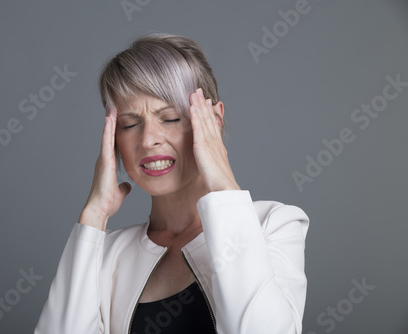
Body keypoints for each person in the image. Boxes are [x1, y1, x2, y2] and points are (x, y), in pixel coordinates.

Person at [34, 32, 310, 334]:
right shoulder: (104, 255)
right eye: (130, 124)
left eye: (170, 118)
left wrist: (222, 185)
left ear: (213, 121)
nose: (149, 139)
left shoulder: (273, 225)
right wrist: (93, 217)